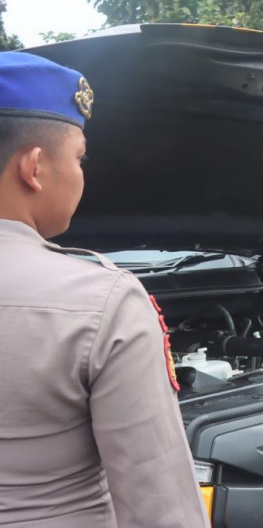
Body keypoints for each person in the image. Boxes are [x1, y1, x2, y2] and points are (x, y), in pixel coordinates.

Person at [0, 52, 209, 526]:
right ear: (34, 168)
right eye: (79, 157)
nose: (82, 174)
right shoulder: (102, 301)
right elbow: (160, 509)